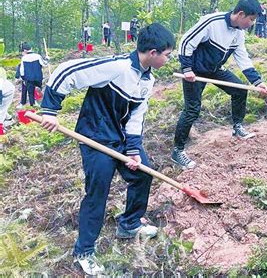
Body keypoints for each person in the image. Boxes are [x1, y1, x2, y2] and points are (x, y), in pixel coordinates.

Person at [39, 23, 175, 275]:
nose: (169, 59)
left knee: (143, 173)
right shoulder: (118, 67)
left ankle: (130, 224)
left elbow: (136, 117)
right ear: (154, 52)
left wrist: (134, 150)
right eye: (167, 54)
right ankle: (84, 251)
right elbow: (66, 71)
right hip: (96, 138)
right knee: (97, 191)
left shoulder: (147, 80)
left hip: (121, 139)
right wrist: (50, 110)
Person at [172, 0, 267, 169]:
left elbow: (242, 57)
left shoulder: (239, 33)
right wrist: (186, 68)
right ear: (241, 14)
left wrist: (257, 81)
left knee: (239, 90)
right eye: (251, 19)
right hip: (194, 71)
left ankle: (237, 126)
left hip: (214, 69)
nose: (252, 24)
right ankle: (178, 151)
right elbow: (186, 41)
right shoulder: (212, 22)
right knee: (192, 109)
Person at [18, 43, 48, 107]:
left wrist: (23, 78)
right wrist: (47, 59)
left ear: (25, 50)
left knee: (31, 92)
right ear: (31, 49)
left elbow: (22, 70)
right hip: (38, 77)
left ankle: (33, 105)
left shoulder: (24, 58)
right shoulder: (37, 56)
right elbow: (44, 64)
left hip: (29, 78)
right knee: (38, 88)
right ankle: (39, 98)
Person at [0, 68, 15, 135]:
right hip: (3, 88)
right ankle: (9, 119)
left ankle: (1, 130)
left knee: (1, 109)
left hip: (7, 91)